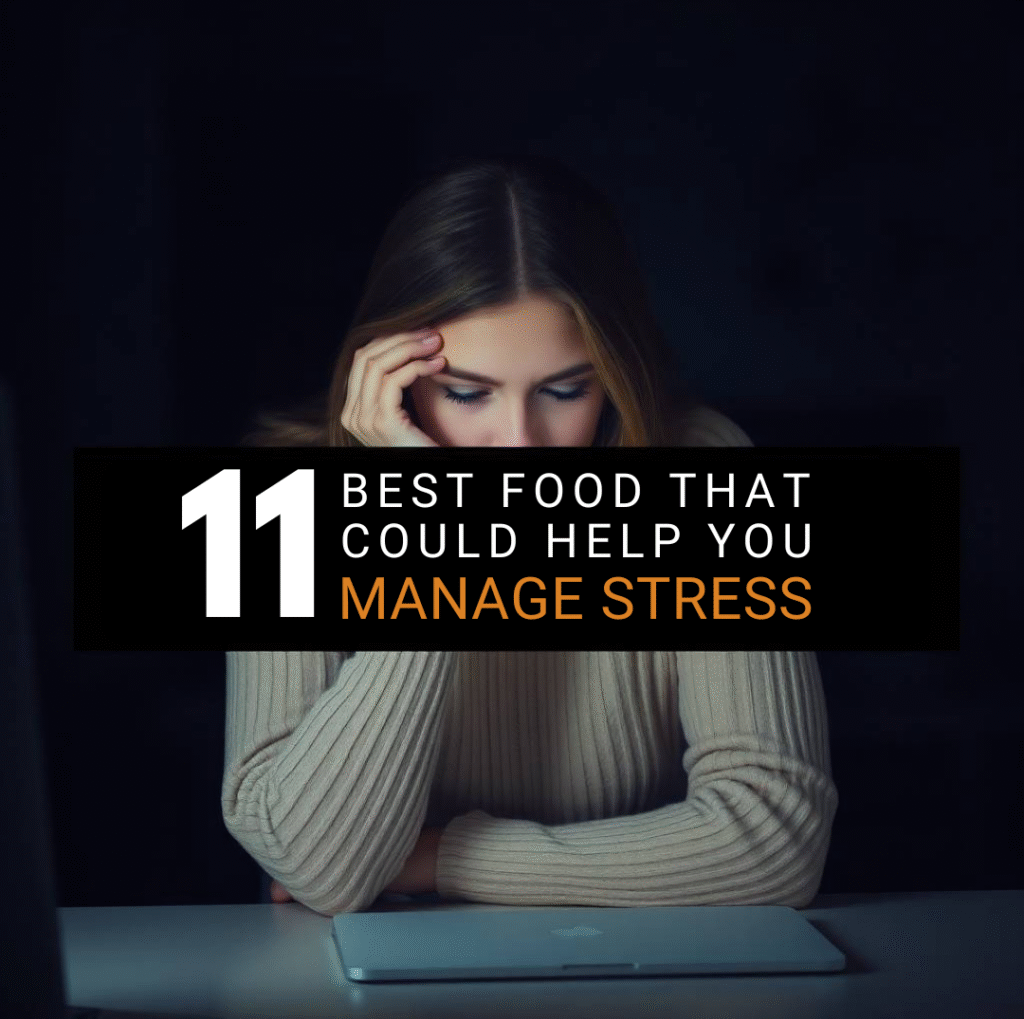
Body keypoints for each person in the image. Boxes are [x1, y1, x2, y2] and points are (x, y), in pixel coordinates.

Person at [221, 154, 838, 915]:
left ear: (613, 377)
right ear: (394, 380)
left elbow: (776, 845)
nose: (519, 445)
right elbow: (318, 867)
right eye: (467, 393)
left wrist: (438, 858)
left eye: (564, 390)